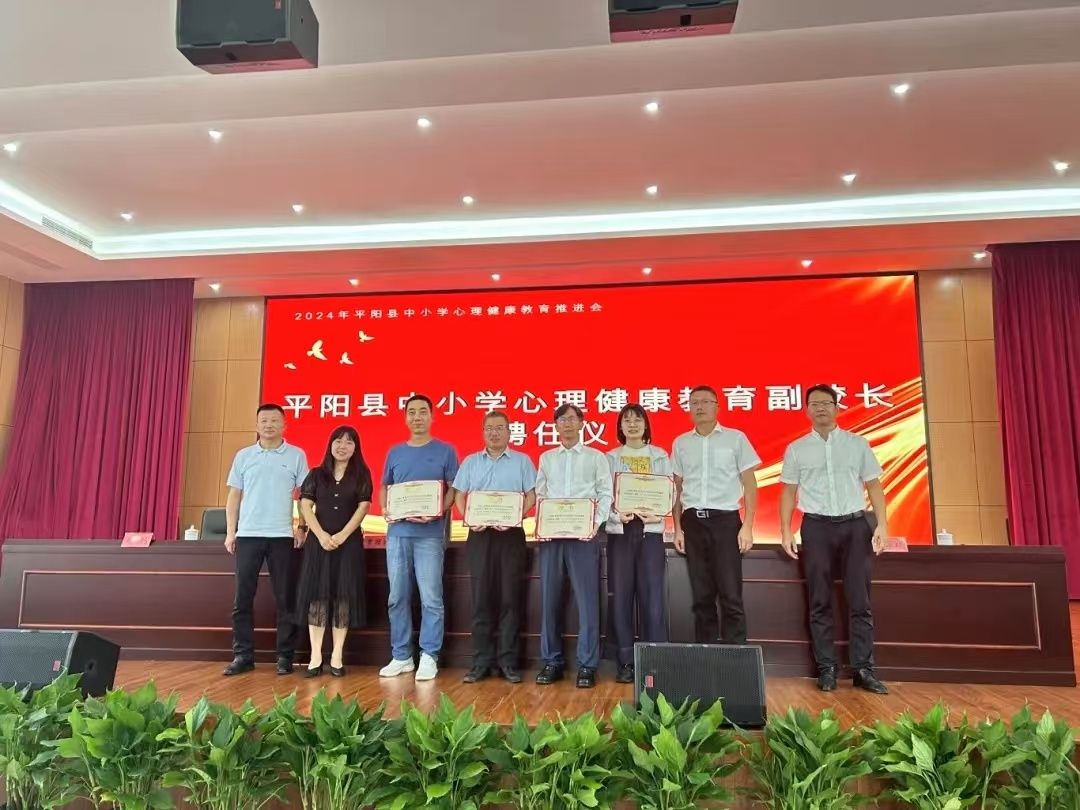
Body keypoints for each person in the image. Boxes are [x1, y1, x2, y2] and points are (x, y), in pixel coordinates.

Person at [779, 384, 890, 695]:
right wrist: (786, 529)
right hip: (816, 527)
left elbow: (874, 486)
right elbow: (788, 491)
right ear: (806, 410)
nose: (820, 408)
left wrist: (882, 525)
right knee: (819, 600)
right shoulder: (797, 449)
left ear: (837, 408)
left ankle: (864, 669)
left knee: (860, 600)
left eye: (826, 403)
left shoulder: (857, 444)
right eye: (814, 404)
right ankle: (826, 668)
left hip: (855, 526)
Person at [223, 403, 309, 677]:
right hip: (248, 535)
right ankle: (243, 655)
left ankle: (284, 656)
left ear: (284, 425)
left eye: (274, 420)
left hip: (282, 536)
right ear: (257, 425)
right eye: (264, 421)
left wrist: (302, 526)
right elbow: (234, 496)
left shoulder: (296, 455)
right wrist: (231, 531)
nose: (269, 425)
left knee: (285, 598)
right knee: (242, 598)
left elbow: (304, 496)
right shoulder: (244, 456)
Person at [378, 394, 459, 682]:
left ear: (432, 416)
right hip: (398, 535)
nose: (417, 417)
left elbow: (454, 489)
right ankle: (401, 656)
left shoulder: (446, 451)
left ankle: (429, 655)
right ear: (405, 418)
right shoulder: (395, 452)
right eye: (411, 412)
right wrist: (386, 509)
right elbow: (385, 487)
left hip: (430, 535)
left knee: (431, 597)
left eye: (423, 411)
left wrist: (439, 511)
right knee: (397, 597)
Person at [452, 411, 537, 684]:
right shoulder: (470, 462)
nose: (494, 433)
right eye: (489, 428)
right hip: (480, 536)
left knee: (510, 599)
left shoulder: (522, 461)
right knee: (481, 599)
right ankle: (480, 662)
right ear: (483, 432)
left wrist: (517, 515)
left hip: (511, 535)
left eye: (500, 428)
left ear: (509, 432)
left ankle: (508, 662)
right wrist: (468, 517)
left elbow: (532, 495)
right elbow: (459, 494)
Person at [671, 385, 760, 645]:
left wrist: (748, 525)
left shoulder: (736, 439)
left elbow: (750, 484)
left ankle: (736, 656)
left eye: (705, 402)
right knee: (702, 596)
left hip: (726, 522)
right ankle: (706, 655)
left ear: (717, 406)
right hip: (692, 523)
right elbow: (677, 489)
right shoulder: (681, 443)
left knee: (731, 595)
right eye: (694, 403)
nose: (699, 407)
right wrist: (677, 528)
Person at [534, 403, 613, 689]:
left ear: (582, 424)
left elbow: (605, 494)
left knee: (588, 602)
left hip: (584, 538)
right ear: (555, 425)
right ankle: (551, 661)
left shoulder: (596, 457)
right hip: (552, 538)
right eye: (561, 420)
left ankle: (587, 665)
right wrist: (542, 524)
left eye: (571, 419)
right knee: (550, 600)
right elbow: (540, 494)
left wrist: (595, 524)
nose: (566, 424)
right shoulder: (546, 458)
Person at [295, 425, 372, 678]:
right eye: (338, 441)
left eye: (349, 442)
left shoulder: (361, 475)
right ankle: (316, 656)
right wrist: (321, 535)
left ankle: (337, 655)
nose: (342, 446)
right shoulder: (316, 474)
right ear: (330, 445)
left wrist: (342, 535)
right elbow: (305, 506)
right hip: (319, 544)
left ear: (355, 448)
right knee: (317, 598)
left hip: (348, 545)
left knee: (343, 598)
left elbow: (363, 508)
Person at [605, 403, 671, 683]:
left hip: (651, 532)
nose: (632, 424)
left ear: (646, 425)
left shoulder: (660, 456)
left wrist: (660, 513)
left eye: (637, 420)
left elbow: (670, 490)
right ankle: (625, 662)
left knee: (652, 598)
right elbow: (604, 493)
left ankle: (653, 661)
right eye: (627, 420)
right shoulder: (610, 458)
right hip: (621, 531)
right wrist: (615, 515)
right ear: (620, 427)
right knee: (620, 596)